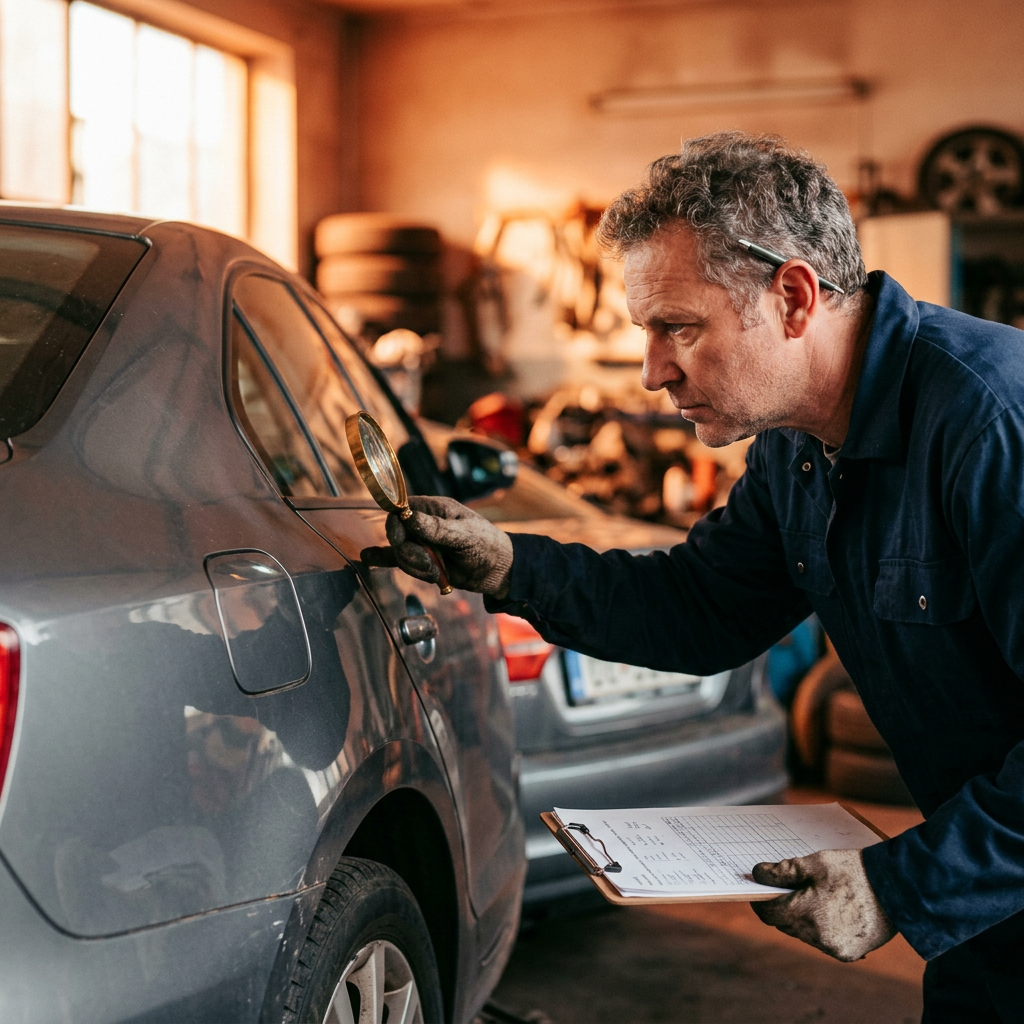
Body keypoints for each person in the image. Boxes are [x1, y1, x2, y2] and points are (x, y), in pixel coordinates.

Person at [368, 131, 1024, 1022]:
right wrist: (515, 566)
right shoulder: (797, 448)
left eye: (679, 327)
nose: (652, 372)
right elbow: (699, 607)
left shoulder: (991, 424)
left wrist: (900, 886)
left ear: (792, 296)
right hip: (995, 915)